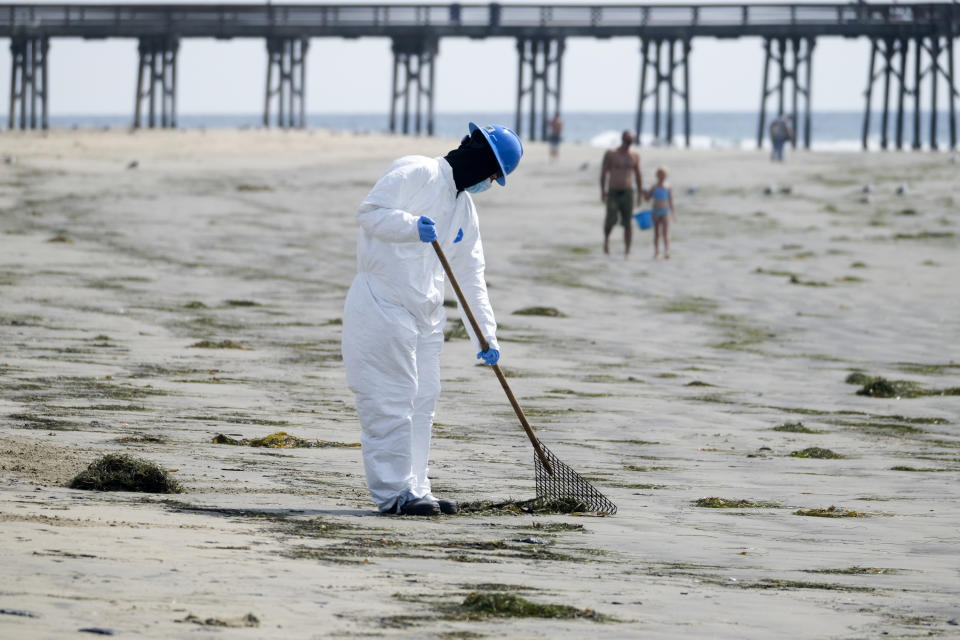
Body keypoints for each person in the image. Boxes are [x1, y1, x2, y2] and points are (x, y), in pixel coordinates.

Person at [341, 123, 523, 517]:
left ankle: (417, 486)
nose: (490, 183)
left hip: (426, 315)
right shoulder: (416, 171)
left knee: (424, 400)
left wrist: (486, 337)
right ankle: (393, 495)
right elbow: (369, 213)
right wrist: (410, 227)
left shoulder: (463, 210)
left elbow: (471, 274)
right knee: (392, 399)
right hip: (382, 304)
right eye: (493, 175)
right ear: (481, 159)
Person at [600, 130, 642, 258]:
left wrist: (640, 193)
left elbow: (638, 174)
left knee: (628, 222)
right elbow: (603, 173)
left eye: (631, 140)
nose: (629, 143)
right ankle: (606, 241)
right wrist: (603, 191)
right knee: (610, 220)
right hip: (613, 191)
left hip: (627, 191)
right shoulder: (611, 154)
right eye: (627, 140)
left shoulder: (634, 156)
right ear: (622, 139)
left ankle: (627, 251)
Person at [646, 166, 676, 259]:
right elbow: (647, 198)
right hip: (655, 211)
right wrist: (644, 193)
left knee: (666, 233)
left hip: (665, 211)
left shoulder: (668, 187)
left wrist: (673, 212)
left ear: (666, 176)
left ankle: (667, 251)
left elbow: (671, 201)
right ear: (657, 175)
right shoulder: (654, 187)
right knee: (656, 233)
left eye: (664, 175)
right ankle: (656, 252)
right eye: (660, 175)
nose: (662, 177)